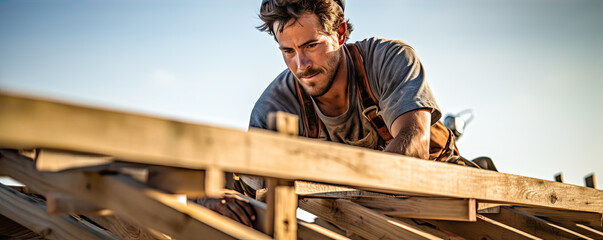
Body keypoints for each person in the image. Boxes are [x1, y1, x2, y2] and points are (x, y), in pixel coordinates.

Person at [199, 0, 454, 227]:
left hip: (445, 199)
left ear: (340, 32)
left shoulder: (386, 60)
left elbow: (414, 148)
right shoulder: (275, 107)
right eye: (288, 51)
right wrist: (212, 197)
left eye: (311, 45)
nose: (301, 66)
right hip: (352, 217)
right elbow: (246, 183)